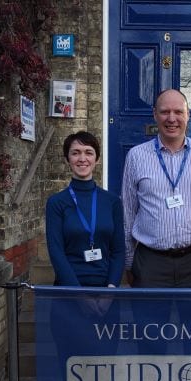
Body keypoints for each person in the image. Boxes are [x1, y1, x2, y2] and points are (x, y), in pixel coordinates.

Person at [122, 89, 191, 288]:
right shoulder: (136, 156)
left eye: (178, 112)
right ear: (155, 115)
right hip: (151, 262)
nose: (171, 119)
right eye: (165, 112)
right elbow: (128, 211)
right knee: (149, 319)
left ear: (188, 115)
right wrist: (129, 260)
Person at [45, 131, 124, 314]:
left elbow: (119, 251)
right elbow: (56, 253)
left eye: (88, 152)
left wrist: (110, 292)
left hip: (107, 295)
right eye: (75, 152)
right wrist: (80, 296)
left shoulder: (112, 201)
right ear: (67, 159)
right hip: (69, 293)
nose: (82, 158)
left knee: (106, 343)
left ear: (96, 159)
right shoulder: (56, 203)